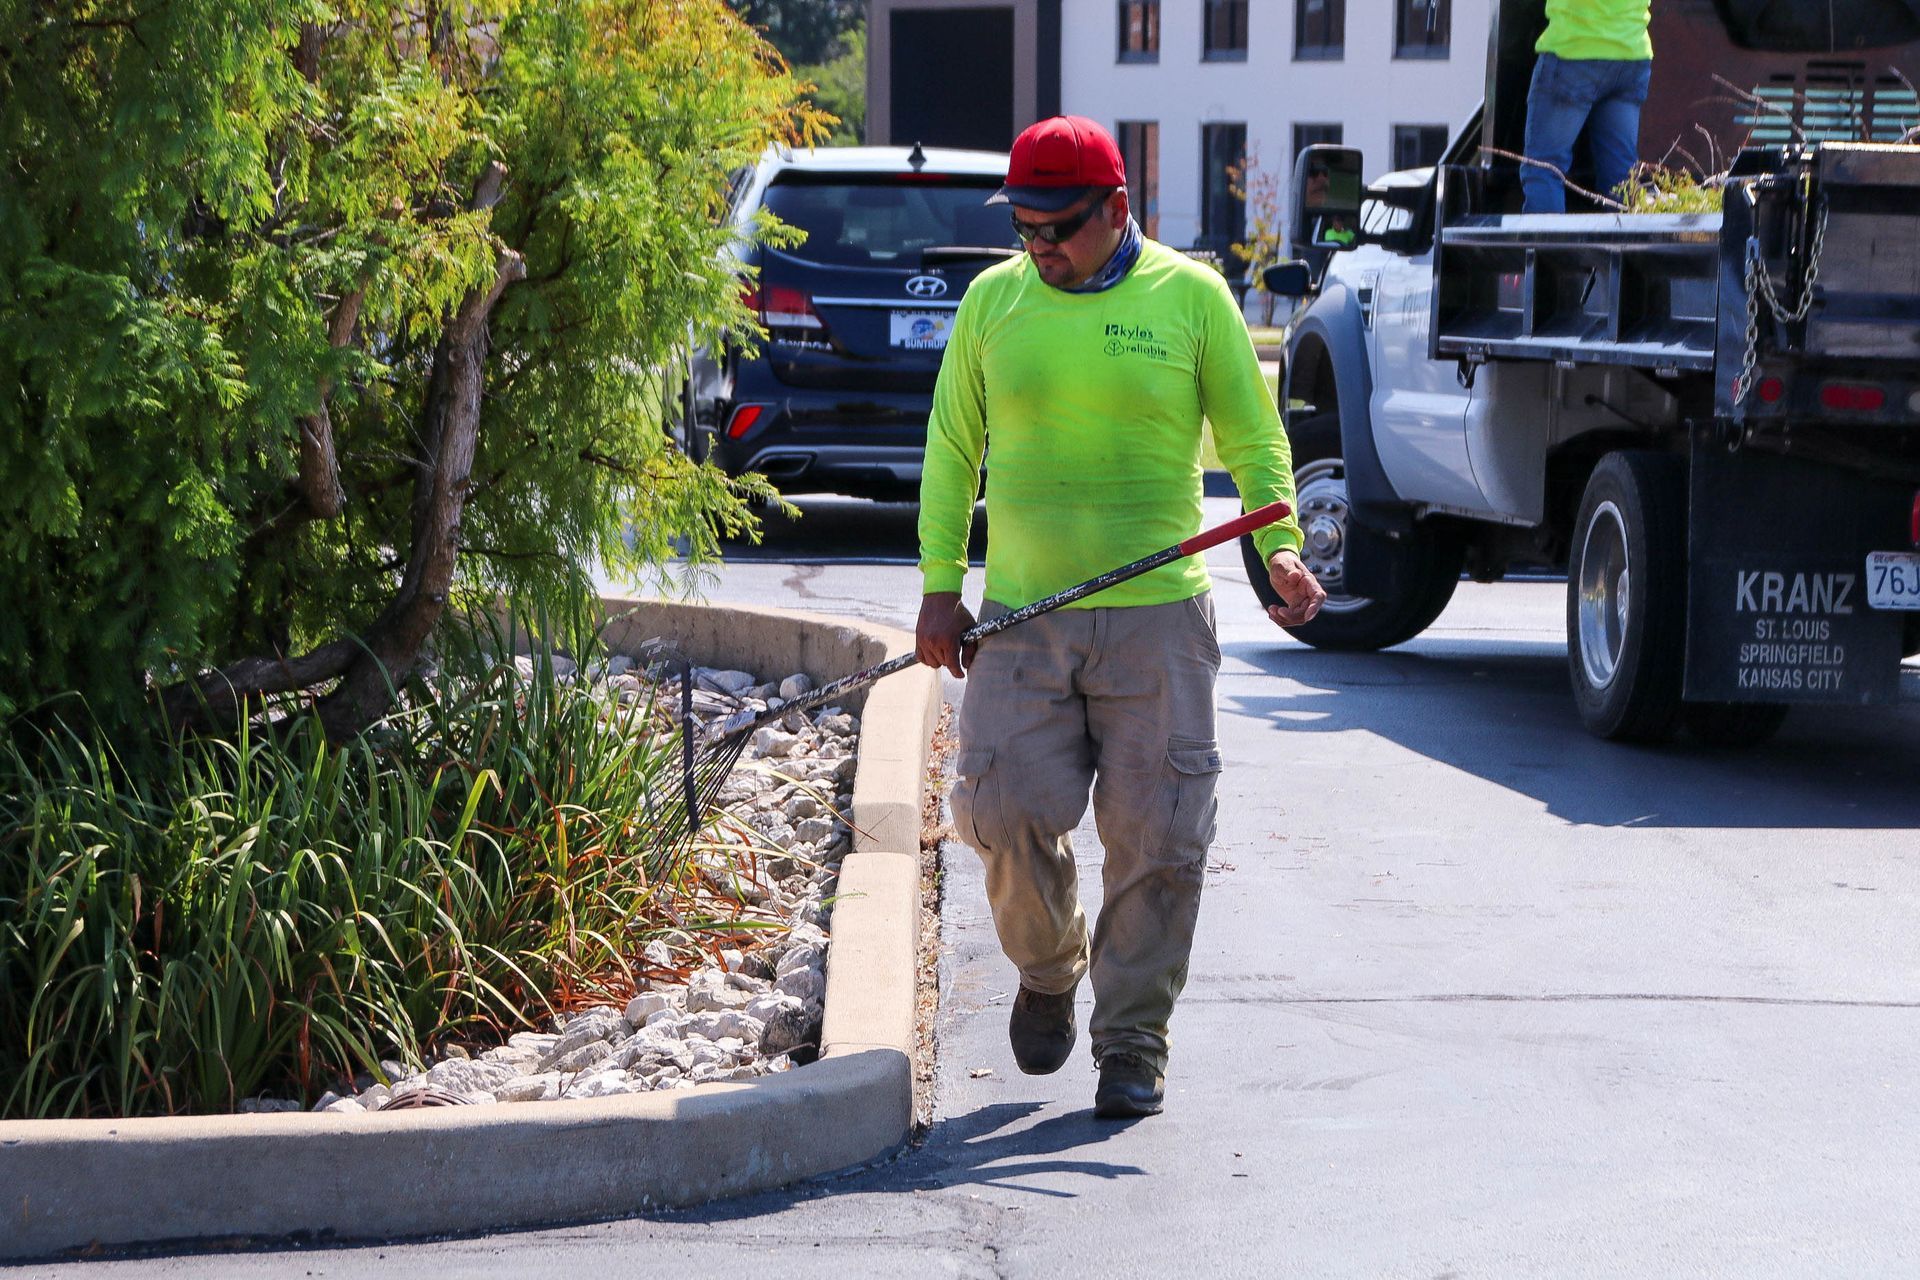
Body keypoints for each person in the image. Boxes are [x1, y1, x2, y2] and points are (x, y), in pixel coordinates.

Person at [915, 115, 1327, 1119]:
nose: (1039, 245)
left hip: (1159, 627)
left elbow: (1255, 441)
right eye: (1023, 226)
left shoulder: (1191, 297)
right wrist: (939, 581)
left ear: (1117, 209)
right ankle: (1050, 965)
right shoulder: (994, 302)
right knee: (998, 809)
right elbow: (950, 443)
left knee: (1160, 838)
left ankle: (1134, 1038)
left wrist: (1279, 547)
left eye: (1058, 225)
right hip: (1023, 620)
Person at [1521, 0, 1653, 213]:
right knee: (1620, 176)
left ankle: (1547, 247)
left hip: (1574, 50)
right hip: (1631, 53)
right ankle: (1623, 246)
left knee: (1545, 167)